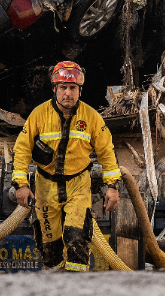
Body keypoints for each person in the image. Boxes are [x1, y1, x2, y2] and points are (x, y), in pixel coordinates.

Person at [13, 61, 122, 271]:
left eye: (73, 88)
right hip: (45, 187)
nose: (68, 93)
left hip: (78, 185)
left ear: (80, 90)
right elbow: (22, 150)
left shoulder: (91, 118)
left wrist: (112, 187)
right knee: (49, 250)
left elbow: (107, 153)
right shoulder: (38, 115)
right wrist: (21, 184)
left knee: (77, 240)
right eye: (63, 87)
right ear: (54, 88)